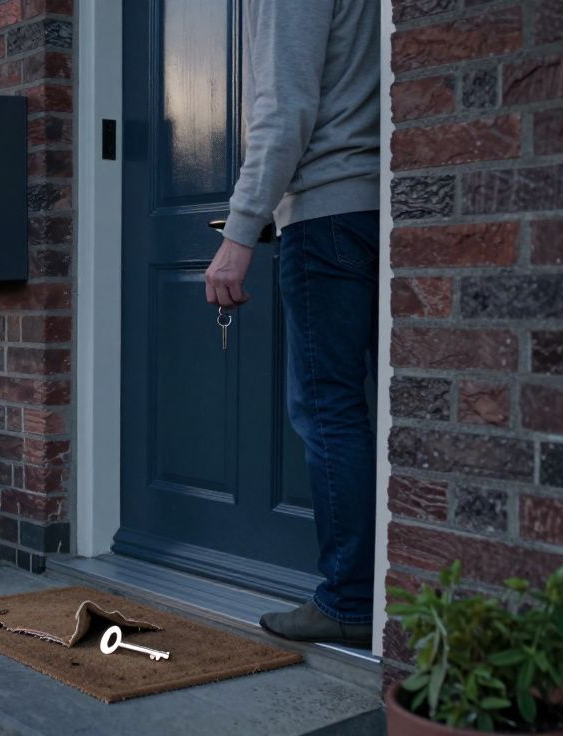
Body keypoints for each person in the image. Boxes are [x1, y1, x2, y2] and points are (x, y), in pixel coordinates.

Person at [204, 0, 380, 648]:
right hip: (376, 205)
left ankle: (349, 599)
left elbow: (285, 109)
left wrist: (241, 232)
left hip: (325, 213)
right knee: (360, 407)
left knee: (328, 408)